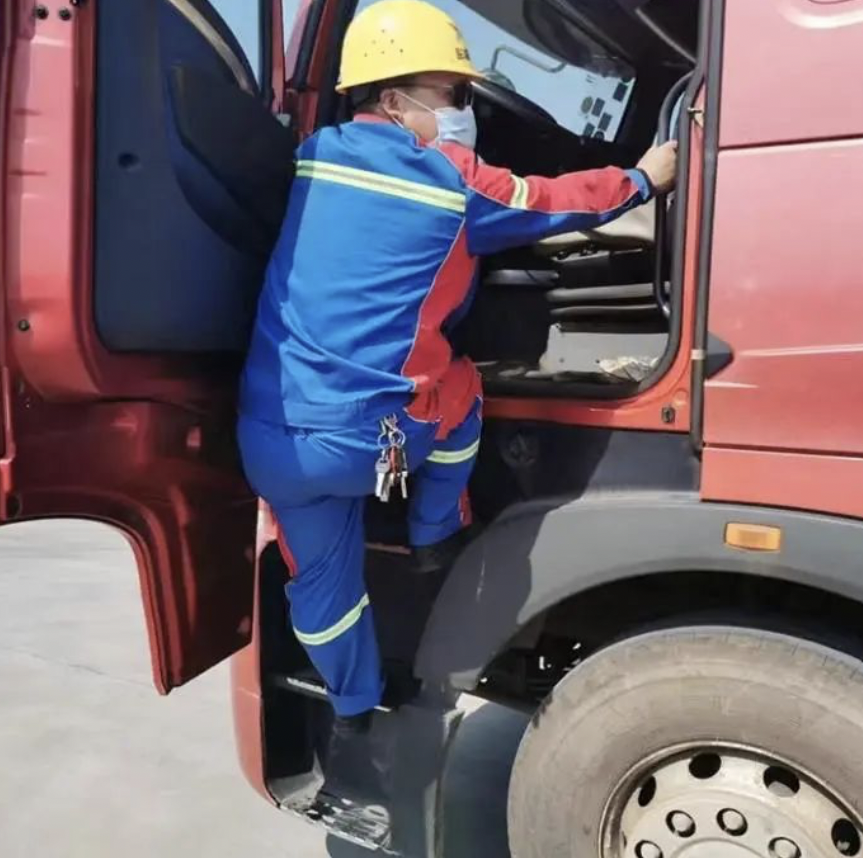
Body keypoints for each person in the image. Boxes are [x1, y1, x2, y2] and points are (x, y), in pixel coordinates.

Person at [237, 0, 677, 808]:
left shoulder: (312, 156)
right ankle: (435, 533)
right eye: (453, 94)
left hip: (274, 441)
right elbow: (556, 199)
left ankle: (354, 714)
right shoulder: (454, 180)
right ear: (395, 97)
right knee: (465, 385)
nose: (463, 110)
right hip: (372, 440)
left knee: (322, 589)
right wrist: (645, 175)